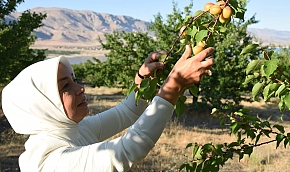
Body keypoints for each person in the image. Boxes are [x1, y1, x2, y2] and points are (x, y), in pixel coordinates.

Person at [2, 45, 214, 171]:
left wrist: (141, 82)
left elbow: (126, 113)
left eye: (74, 80)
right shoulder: (48, 162)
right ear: (43, 105)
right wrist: (173, 85)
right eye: (66, 86)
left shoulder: (72, 130)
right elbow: (125, 150)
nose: (80, 88)